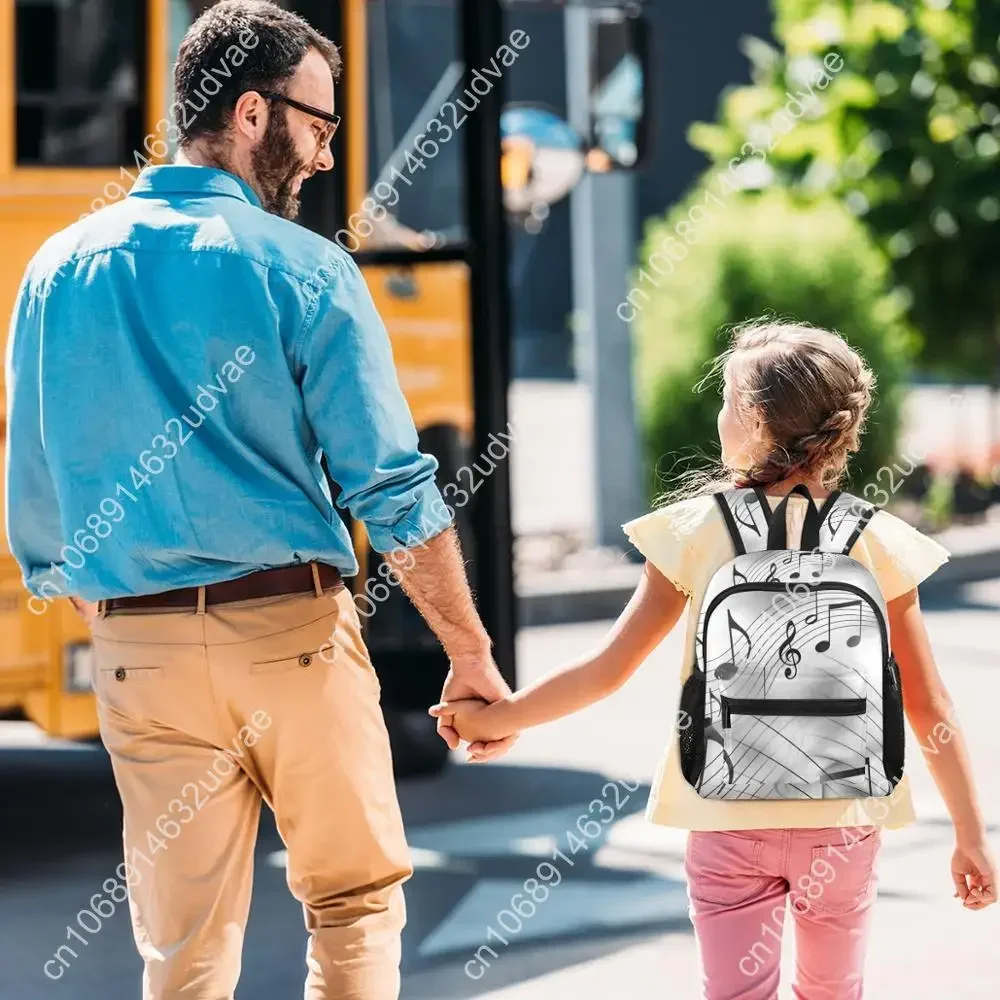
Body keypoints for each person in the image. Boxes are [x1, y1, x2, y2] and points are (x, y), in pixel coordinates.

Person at [5, 2, 513, 997]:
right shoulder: (304, 268)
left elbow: (35, 491)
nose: (324, 157)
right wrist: (467, 651)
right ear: (250, 111)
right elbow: (391, 486)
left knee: (183, 949)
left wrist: (122, 620)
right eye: (319, 126)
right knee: (353, 901)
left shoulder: (55, 269)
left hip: (136, 653)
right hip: (288, 633)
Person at [432, 321, 997, 999]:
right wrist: (969, 835)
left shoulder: (697, 531)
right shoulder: (874, 541)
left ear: (756, 421)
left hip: (727, 812)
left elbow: (608, 669)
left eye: (729, 402)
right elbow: (930, 706)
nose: (721, 415)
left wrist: (497, 717)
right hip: (844, 821)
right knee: (834, 992)